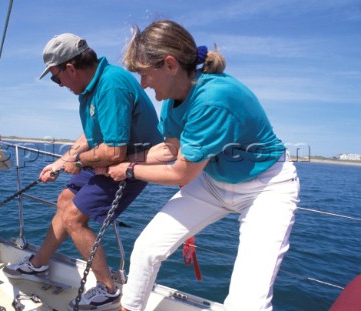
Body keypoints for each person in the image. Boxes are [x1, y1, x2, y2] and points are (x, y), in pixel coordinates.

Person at [107, 20, 300, 311]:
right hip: (214, 182)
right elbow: (170, 150)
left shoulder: (213, 98)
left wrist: (129, 170)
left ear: (170, 65)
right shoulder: (172, 100)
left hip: (266, 188)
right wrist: (123, 159)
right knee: (147, 248)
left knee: (247, 302)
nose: (143, 84)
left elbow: (180, 172)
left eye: (145, 74)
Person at [3, 33, 163, 311]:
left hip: (131, 163)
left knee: (75, 218)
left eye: (56, 77)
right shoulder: (91, 88)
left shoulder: (110, 86)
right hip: (106, 157)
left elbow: (114, 152)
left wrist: (77, 162)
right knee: (65, 200)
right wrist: (59, 163)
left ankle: (108, 289)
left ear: (70, 68)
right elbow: (90, 136)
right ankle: (38, 265)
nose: (59, 84)